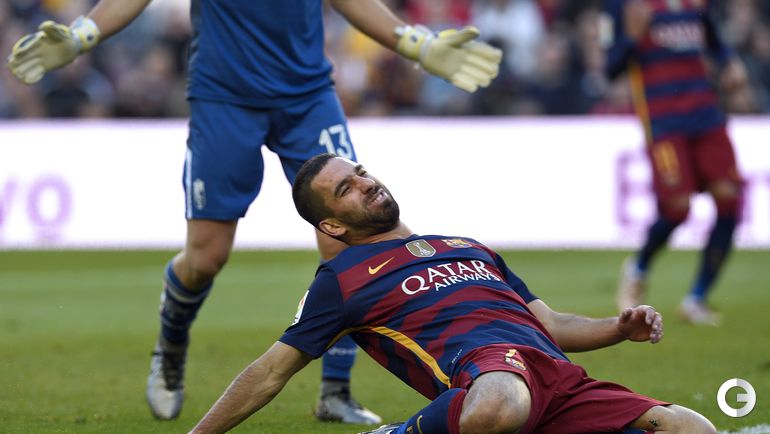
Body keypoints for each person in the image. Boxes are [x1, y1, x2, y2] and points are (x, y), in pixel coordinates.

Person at [6, 0, 503, 422]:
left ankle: (335, 391)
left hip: (307, 95)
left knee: (353, 239)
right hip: (223, 98)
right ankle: (171, 346)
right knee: (206, 258)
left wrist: (416, 43)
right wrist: (83, 34)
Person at [189, 153, 717, 434]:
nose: (366, 183)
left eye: (361, 173)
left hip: (559, 381)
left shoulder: (467, 246)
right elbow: (270, 371)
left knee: (691, 427)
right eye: (346, 189)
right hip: (488, 375)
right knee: (501, 403)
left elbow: (551, 326)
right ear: (332, 226)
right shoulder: (343, 278)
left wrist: (617, 328)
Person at [602, 0, 746, 325]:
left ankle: (696, 298)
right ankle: (638, 267)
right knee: (678, 208)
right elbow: (610, 68)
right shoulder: (620, 6)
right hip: (664, 122)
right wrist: (632, 37)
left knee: (729, 199)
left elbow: (715, 41)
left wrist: (729, 63)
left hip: (707, 115)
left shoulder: (696, 3)